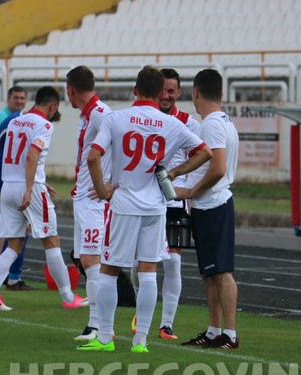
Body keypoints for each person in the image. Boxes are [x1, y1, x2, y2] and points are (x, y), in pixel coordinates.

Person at [77, 66, 212, 352]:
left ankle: (105, 337)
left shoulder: (116, 118)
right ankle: (141, 341)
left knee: (109, 269)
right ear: (160, 91)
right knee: (149, 271)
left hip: (124, 204)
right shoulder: (172, 124)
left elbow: (92, 158)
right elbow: (205, 152)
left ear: (135, 90)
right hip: (155, 206)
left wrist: (102, 191)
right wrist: (174, 173)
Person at [0, 86, 88, 311]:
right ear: (52, 105)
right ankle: (68, 297)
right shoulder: (44, 125)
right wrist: (31, 187)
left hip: (8, 185)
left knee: (14, 244)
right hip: (28, 188)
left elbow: (11, 155)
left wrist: (34, 181)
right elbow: (31, 156)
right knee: (52, 240)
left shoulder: (15, 121)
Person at [129, 68, 201, 341]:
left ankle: (166, 324)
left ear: (179, 93)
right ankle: (141, 309)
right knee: (138, 264)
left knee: (172, 262)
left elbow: (201, 157)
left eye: (171, 91)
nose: (166, 96)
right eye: (162, 90)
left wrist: (184, 187)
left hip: (172, 202)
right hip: (143, 199)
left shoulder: (188, 123)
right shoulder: (143, 119)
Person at [174, 69, 241, 350]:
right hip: (209, 205)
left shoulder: (212, 124)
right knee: (210, 272)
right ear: (222, 93)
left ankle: (231, 334)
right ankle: (215, 330)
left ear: (196, 93)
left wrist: (190, 191)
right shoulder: (224, 121)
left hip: (214, 204)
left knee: (221, 272)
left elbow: (218, 168)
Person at [65, 65, 113, 341]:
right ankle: (97, 324)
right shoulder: (88, 115)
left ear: (71, 90)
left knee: (93, 260)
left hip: (95, 200)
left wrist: (111, 184)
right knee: (86, 259)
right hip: (83, 197)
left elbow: (121, 144)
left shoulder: (100, 113)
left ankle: (97, 325)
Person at [0, 86, 35, 291]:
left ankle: (4, 269)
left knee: (6, 223)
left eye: (23, 98)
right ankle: (7, 273)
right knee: (17, 226)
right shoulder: (1, 117)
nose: (20, 101)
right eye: (16, 97)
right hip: (3, 178)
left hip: (8, 178)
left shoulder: (20, 119)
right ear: (8, 99)